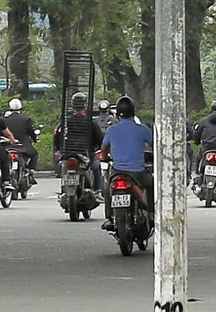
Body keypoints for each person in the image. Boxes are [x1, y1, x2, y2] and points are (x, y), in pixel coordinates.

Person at [101, 96, 153, 225]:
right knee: (151, 184)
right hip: (138, 173)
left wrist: (107, 157)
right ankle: (151, 213)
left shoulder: (111, 130)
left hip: (118, 172)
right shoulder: (142, 129)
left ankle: (109, 218)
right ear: (133, 112)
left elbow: (103, 150)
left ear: (117, 114)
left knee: (108, 189)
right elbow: (155, 146)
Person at [56, 95, 102, 164]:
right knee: (96, 166)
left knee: (60, 169)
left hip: (68, 154)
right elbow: (100, 139)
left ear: (72, 105)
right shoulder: (91, 123)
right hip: (86, 154)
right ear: (85, 105)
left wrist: (60, 150)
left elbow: (57, 137)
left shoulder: (65, 122)